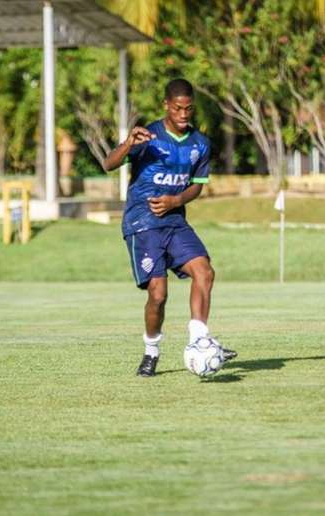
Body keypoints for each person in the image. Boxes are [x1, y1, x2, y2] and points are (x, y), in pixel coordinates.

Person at [103, 78, 237, 377]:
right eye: (178, 108)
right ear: (166, 105)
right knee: (159, 294)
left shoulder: (200, 144)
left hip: (175, 221)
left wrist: (176, 200)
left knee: (204, 271)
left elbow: (196, 187)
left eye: (189, 109)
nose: (184, 114)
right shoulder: (148, 137)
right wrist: (127, 144)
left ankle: (199, 339)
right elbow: (108, 164)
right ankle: (151, 351)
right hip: (142, 223)